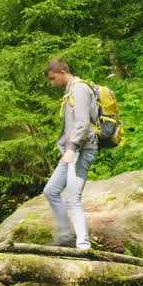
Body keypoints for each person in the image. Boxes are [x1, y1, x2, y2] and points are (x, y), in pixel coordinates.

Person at [43, 58, 97, 250]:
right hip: (72, 151)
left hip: (82, 150)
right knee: (51, 191)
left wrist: (72, 148)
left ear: (63, 71)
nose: (52, 82)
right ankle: (66, 236)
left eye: (53, 78)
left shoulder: (79, 89)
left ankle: (83, 246)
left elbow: (82, 123)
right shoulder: (70, 91)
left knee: (72, 197)